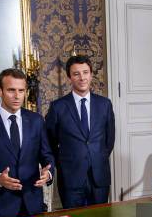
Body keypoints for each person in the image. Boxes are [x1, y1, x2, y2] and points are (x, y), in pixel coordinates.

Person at [0, 68, 54, 217]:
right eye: (11, 90)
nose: (17, 96)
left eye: (21, 90)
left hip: (33, 204)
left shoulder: (36, 120)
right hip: (0, 207)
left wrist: (48, 173)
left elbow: (47, 156)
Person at [46, 55, 115, 208]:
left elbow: (109, 139)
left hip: (99, 176)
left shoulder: (105, 104)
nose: (82, 78)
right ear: (69, 77)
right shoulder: (58, 107)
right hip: (70, 177)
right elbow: (49, 141)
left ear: (91, 74)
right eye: (76, 73)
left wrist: (98, 156)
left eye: (85, 72)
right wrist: (63, 163)